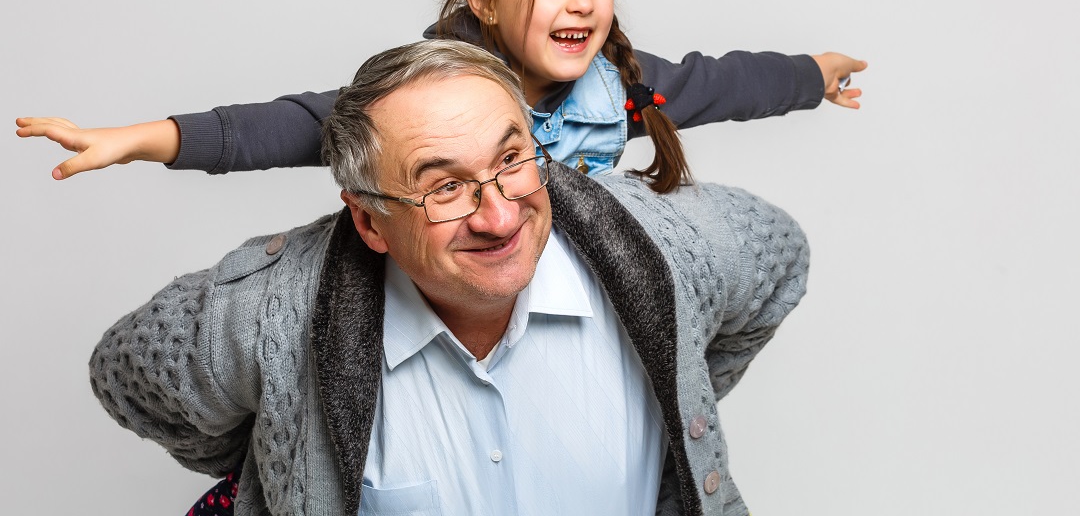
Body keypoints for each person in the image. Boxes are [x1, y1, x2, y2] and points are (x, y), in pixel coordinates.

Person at [89, 40, 809, 516]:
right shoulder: (270, 312)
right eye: (444, 187)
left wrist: (677, 381)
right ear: (369, 221)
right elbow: (128, 375)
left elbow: (779, 257)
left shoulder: (665, 246)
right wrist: (280, 448)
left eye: (512, 160)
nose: (499, 215)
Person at [16, 0, 866, 193]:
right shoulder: (429, 94)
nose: (582, 3)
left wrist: (813, 72)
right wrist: (141, 140)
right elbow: (295, 125)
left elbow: (730, 83)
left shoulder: (621, 87)